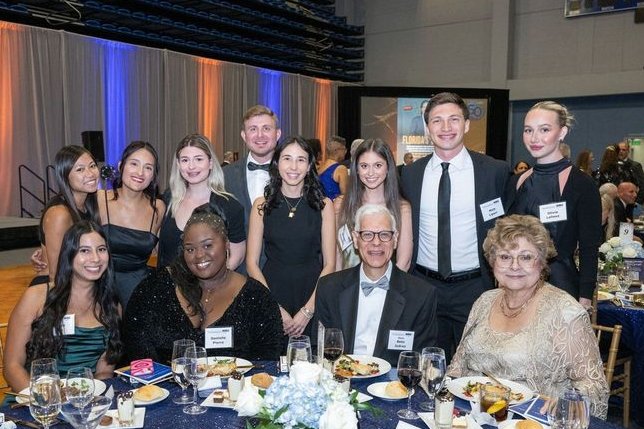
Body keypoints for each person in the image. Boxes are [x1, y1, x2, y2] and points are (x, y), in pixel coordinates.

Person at [447, 215, 608, 419]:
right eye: (505, 257)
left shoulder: (565, 312)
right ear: (492, 262)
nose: (515, 266)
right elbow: (458, 366)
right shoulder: (484, 302)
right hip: (473, 416)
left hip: (534, 420)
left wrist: (567, 403)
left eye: (525, 257)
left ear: (541, 262)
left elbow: (595, 388)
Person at [400, 92, 510, 362]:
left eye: (453, 119)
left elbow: (508, 226)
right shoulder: (410, 175)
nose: (446, 128)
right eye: (437, 121)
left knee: (475, 369)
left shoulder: (495, 171)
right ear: (427, 128)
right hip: (424, 287)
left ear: (467, 124)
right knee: (426, 367)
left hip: (474, 288)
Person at [124, 208, 283, 363]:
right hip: (163, 388)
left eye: (208, 245)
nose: (199, 255)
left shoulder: (256, 298)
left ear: (226, 244)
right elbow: (135, 341)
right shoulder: (157, 285)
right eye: (190, 249)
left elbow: (267, 361)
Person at [4, 221, 122, 391]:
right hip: (32, 399)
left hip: (84, 402)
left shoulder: (111, 305)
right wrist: (43, 402)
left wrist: (90, 399)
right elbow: (12, 366)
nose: (95, 258)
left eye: (101, 249)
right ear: (69, 254)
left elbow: (104, 372)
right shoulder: (37, 297)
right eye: (84, 250)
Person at [316, 204, 437, 366]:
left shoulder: (421, 295)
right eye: (367, 235)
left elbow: (423, 359)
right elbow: (319, 349)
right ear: (355, 239)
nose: (376, 242)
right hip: (341, 383)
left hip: (392, 386)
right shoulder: (329, 288)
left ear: (395, 240)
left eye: (384, 235)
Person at [507, 101, 601, 307]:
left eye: (544, 129)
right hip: (516, 285)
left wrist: (585, 296)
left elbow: (589, 246)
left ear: (562, 132)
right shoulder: (516, 181)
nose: (534, 138)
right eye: (528, 130)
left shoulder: (582, 184)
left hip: (561, 287)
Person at [247, 136, 335, 340]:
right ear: (277, 163)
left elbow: (330, 264)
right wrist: (274, 307)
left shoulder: (324, 205)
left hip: (313, 294)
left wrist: (308, 311)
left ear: (309, 165)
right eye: (287, 158)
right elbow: (251, 263)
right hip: (271, 293)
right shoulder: (261, 205)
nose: (293, 166)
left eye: (301, 159)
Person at [157, 134, 246, 270]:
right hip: (167, 285)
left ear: (210, 163)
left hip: (209, 288)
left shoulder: (229, 206)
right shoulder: (168, 199)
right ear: (179, 165)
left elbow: (237, 256)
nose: (191, 166)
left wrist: (213, 284)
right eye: (185, 160)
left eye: (198, 159)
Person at [97, 141, 164, 308]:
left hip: (138, 293)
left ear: (153, 175)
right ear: (121, 166)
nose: (140, 172)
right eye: (134, 164)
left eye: (148, 168)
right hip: (99, 288)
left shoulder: (158, 208)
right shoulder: (99, 199)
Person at [336, 139, 412, 271]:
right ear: (356, 169)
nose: (370, 173)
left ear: (388, 167)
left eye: (377, 165)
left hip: (389, 286)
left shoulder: (401, 208)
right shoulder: (341, 205)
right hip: (347, 287)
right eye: (364, 166)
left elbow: (404, 261)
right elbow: (337, 256)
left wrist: (387, 289)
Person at [31, 146, 101, 284]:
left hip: (80, 282)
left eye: (92, 166)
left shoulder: (91, 204)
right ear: (65, 176)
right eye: (80, 169)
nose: (90, 173)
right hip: (57, 287)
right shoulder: (59, 213)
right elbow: (55, 274)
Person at [223, 105, 281, 231]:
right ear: (244, 136)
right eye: (253, 129)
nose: (260, 135)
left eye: (266, 128)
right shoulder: (226, 175)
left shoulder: (292, 174)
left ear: (277, 134)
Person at [317, 136, 349, 200]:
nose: (345, 152)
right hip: (334, 207)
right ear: (337, 150)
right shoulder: (341, 169)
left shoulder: (319, 167)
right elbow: (345, 196)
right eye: (344, 149)